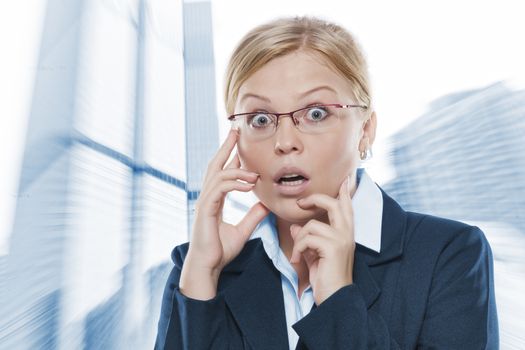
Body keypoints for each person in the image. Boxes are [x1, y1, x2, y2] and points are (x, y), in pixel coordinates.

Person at [155, 16, 498, 350]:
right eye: (260, 119)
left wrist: (338, 299)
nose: (285, 141)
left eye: (316, 113)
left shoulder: (448, 255)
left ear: (365, 130)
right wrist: (201, 277)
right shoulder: (197, 265)